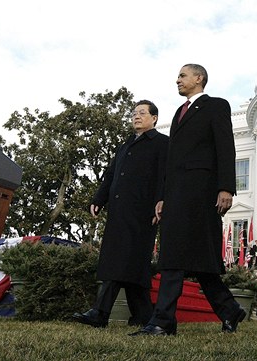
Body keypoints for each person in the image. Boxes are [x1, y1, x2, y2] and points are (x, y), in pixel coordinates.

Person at [131, 64, 243, 336]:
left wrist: (226, 187)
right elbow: (171, 162)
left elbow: (225, 147)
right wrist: (162, 196)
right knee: (177, 255)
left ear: (198, 78)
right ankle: (228, 310)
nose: (177, 80)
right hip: (176, 195)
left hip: (202, 193)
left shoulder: (216, 106)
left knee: (193, 258)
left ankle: (162, 321)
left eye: (182, 75)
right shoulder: (179, 114)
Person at [73, 100, 169, 328]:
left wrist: (161, 201)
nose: (136, 116)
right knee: (133, 266)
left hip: (144, 211)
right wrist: (99, 198)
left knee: (121, 261)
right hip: (118, 212)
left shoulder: (162, 143)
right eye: (134, 113)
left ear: (154, 118)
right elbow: (110, 174)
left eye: (142, 113)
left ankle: (100, 313)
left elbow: (165, 176)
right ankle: (143, 316)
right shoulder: (125, 145)